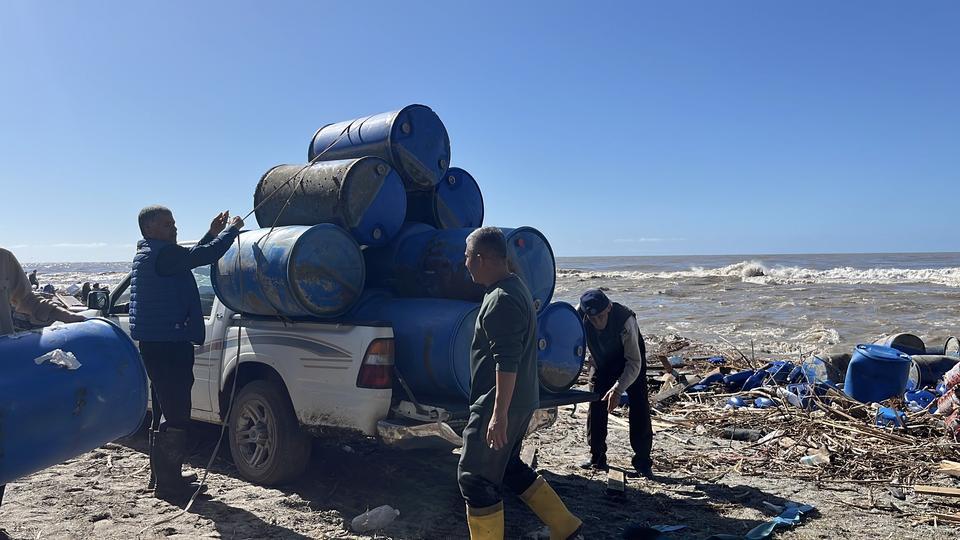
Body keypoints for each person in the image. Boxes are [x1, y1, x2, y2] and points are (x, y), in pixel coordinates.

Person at [457, 227, 582, 540]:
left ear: (482, 258)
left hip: (499, 403)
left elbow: (506, 362)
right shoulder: (516, 287)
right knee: (509, 468)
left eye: (467, 256)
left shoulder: (502, 299)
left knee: (475, 478)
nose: (465, 263)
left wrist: (498, 415)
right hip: (519, 400)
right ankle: (566, 529)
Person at [130, 205, 242, 501]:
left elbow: (189, 257)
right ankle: (168, 485)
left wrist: (212, 233)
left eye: (174, 223)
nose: (174, 228)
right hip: (168, 345)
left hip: (159, 344)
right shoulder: (162, 254)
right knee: (176, 412)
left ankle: (164, 477)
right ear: (150, 229)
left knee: (165, 410)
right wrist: (231, 232)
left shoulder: (153, 253)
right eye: (168, 225)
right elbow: (201, 257)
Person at [1, 247, 85, 537]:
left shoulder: (3, 260)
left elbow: (27, 301)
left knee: (3, 450)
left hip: (4, 370)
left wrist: (67, 316)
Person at [577, 289, 654, 478]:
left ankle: (643, 462)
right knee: (596, 404)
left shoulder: (625, 320)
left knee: (639, 405)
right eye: (592, 319)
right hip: (602, 361)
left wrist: (618, 390)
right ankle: (597, 456)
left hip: (629, 360)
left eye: (601, 317)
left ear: (609, 308)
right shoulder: (577, 314)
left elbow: (634, 362)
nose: (597, 323)